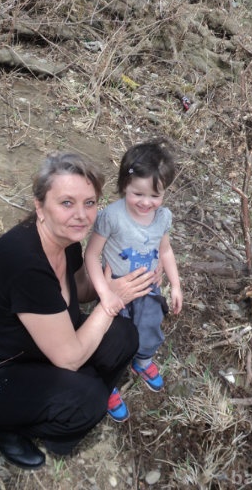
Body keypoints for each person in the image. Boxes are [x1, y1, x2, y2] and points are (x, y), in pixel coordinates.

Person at [0, 152, 159, 469]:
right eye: (67, 203)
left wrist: (115, 275)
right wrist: (110, 304)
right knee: (86, 401)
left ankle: (77, 392)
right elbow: (68, 357)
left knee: (124, 335)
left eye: (89, 203)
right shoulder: (25, 264)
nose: (81, 215)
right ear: (40, 206)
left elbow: (80, 291)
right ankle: (5, 424)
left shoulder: (65, 240)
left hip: (29, 349)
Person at [85, 140, 183, 412]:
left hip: (148, 287)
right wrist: (104, 291)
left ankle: (142, 361)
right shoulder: (112, 217)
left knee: (150, 325)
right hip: (116, 287)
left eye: (155, 195)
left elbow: (165, 251)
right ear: (124, 186)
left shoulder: (162, 218)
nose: (146, 202)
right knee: (112, 338)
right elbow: (92, 255)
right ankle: (107, 382)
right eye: (137, 194)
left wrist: (175, 285)